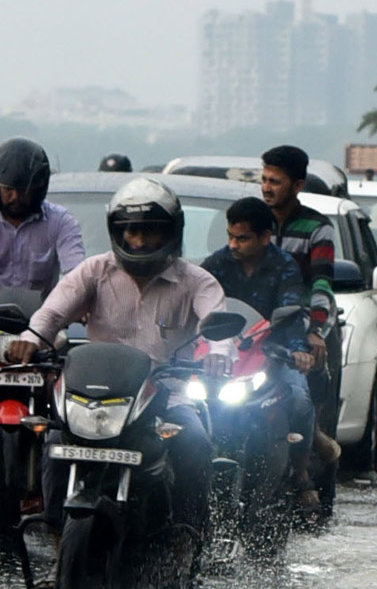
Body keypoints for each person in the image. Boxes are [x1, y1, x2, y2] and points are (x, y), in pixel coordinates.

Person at [6, 178, 232, 540]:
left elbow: (216, 324)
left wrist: (219, 354)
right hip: (95, 400)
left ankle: (189, 542)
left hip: (165, 397)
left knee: (195, 443)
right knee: (54, 443)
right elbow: (51, 315)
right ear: (117, 232)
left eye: (148, 233)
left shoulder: (197, 281)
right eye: (130, 232)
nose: (138, 242)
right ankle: (58, 543)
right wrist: (30, 340)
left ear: (171, 233)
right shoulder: (94, 271)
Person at [200, 196, 319, 508]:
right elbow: (194, 305)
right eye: (230, 236)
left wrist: (298, 351)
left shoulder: (284, 266)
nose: (234, 245)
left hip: (271, 354)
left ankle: (300, 473)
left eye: (242, 238)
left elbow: (290, 314)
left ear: (265, 237)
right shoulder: (215, 264)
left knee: (300, 398)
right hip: (222, 357)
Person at [260, 145, 342, 466]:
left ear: (297, 186)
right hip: (257, 326)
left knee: (314, 373)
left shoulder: (318, 227)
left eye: (275, 182)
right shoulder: (253, 223)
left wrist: (316, 330)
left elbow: (322, 284)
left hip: (303, 325)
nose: (267, 187)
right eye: (264, 179)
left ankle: (308, 463)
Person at [0, 138, 85, 298]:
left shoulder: (60, 222)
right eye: (8, 190)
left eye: (24, 190)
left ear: (38, 188)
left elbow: (75, 272)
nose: (15, 197)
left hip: (44, 319)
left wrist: (79, 296)